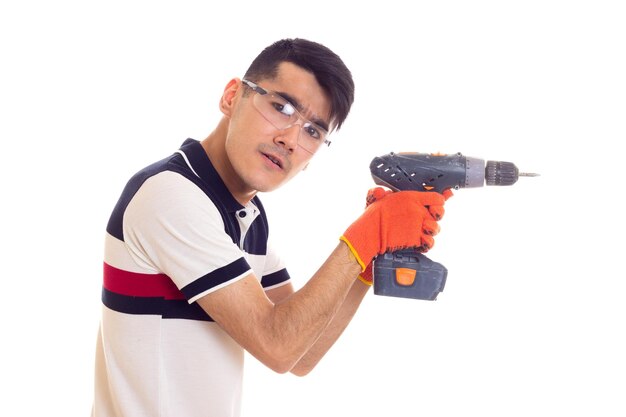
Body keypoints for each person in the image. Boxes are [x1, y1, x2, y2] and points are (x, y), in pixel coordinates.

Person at [91, 38, 448, 417]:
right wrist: (365, 235)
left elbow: (301, 354)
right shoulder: (170, 195)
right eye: (282, 107)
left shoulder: (249, 214)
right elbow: (277, 346)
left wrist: (364, 263)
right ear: (232, 96)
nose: (290, 139)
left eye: (313, 131)